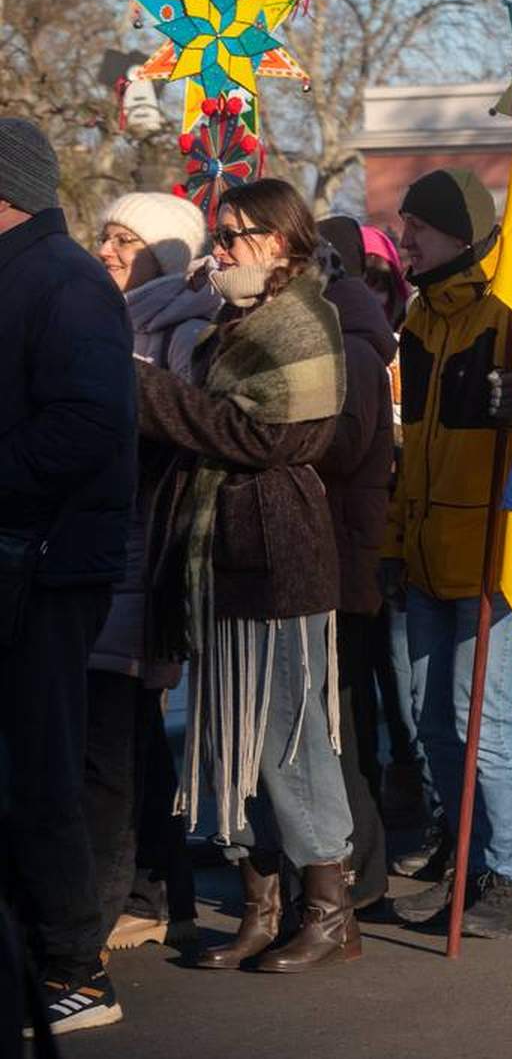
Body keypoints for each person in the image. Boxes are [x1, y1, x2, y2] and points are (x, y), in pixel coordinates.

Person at [137, 178, 359, 973]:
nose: (219, 247)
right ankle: (262, 906)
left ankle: (329, 909)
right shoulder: (235, 318)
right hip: (221, 552)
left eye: (233, 234)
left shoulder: (305, 319)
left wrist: (149, 392)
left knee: (287, 736)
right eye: (218, 232)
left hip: (277, 553)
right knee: (230, 733)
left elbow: (265, 438)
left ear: (279, 241)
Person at [383, 168, 512, 937]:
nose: (403, 236)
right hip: (426, 551)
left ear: (460, 231)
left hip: (493, 551)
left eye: (417, 223)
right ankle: (469, 863)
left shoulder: (511, 313)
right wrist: (395, 540)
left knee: (479, 715)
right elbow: (415, 443)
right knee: (433, 720)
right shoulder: (418, 320)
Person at [0, 119, 137, 1034]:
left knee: (36, 765)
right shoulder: (32, 275)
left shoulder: (66, 282)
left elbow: (87, 426)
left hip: (45, 563)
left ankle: (75, 970)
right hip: (23, 552)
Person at [85, 192, 217, 959]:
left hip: (142, 555)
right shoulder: (112, 317)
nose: (107, 249)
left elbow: (187, 433)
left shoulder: (182, 326)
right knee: (131, 735)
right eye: (105, 234)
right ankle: (160, 893)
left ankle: (103, 914)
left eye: (125, 240)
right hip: (107, 554)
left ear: (165, 253)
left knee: (112, 741)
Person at [309, 215, 400, 912]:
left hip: (344, 561)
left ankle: (359, 871)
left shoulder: (356, 351)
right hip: (333, 559)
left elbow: (337, 453)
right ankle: (338, 864)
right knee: (334, 721)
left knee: (344, 723)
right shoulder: (339, 338)